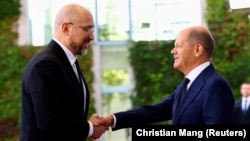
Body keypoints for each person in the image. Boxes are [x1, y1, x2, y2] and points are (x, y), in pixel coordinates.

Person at [99, 25, 235, 130]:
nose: (172, 51)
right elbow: (155, 111)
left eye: (178, 46)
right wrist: (113, 119)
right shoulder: (186, 85)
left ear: (197, 50)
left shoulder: (216, 85)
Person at [20, 3, 106, 141]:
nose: (92, 37)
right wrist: (89, 128)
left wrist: (87, 125)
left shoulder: (68, 61)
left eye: (92, 30)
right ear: (66, 28)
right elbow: (51, 123)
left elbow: (67, 113)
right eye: (87, 29)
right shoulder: (44, 65)